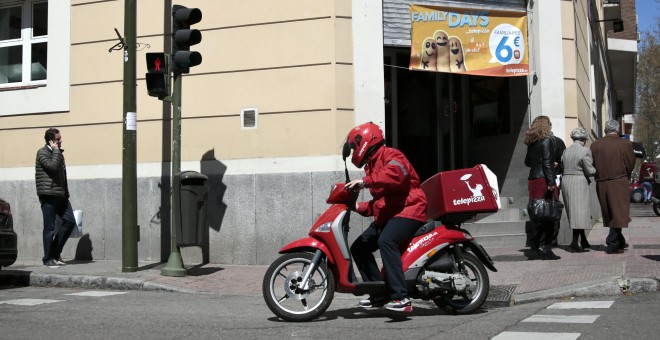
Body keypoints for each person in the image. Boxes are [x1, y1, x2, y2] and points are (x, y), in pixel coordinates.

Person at [344, 122, 427, 312]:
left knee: (386, 240)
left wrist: (365, 182)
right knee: (359, 247)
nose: (354, 150)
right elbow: (382, 202)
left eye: (355, 145)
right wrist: (356, 206)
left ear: (365, 141)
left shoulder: (392, 155)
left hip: (410, 209)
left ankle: (401, 298)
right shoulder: (371, 166)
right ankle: (379, 294)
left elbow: (395, 173)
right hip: (392, 213)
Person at [590, 120, 636, 254]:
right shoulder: (624, 143)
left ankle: (619, 240)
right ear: (617, 130)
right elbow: (630, 162)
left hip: (602, 182)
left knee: (610, 212)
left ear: (605, 130)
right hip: (618, 181)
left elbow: (592, 163)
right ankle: (612, 243)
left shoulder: (595, 145)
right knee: (619, 213)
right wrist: (625, 174)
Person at [35, 128, 76, 268]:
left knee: (70, 221)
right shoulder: (42, 152)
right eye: (58, 139)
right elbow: (51, 167)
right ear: (50, 140)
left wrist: (66, 192)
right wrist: (56, 151)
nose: (60, 141)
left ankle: (55, 253)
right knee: (49, 228)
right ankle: (48, 259)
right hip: (48, 194)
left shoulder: (58, 153)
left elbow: (63, 175)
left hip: (61, 194)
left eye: (60, 138)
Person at [524, 116, 561, 260]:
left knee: (537, 213)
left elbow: (527, 162)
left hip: (533, 179)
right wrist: (551, 182)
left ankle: (535, 244)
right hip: (544, 180)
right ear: (547, 126)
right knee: (549, 214)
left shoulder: (531, 142)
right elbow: (546, 162)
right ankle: (546, 248)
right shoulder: (547, 140)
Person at [560, 127, 597, 252]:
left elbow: (562, 165)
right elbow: (589, 170)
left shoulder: (566, 151)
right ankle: (575, 243)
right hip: (578, 181)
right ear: (584, 139)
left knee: (574, 212)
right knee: (579, 213)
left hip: (566, 181)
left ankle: (583, 240)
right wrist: (597, 170)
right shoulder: (585, 151)